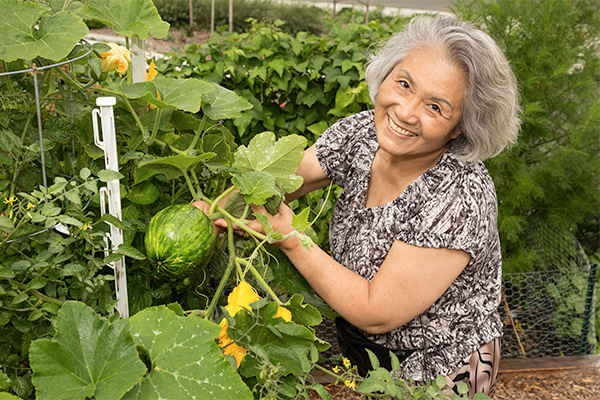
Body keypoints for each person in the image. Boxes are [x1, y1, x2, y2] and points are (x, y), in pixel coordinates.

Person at [196, 14, 521, 398]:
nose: (405, 112)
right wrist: (217, 212)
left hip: (438, 369)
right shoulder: (363, 134)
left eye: (435, 107)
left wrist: (292, 239)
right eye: (403, 84)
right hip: (365, 352)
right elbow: (281, 181)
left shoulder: (461, 197)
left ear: (460, 127)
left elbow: (377, 310)